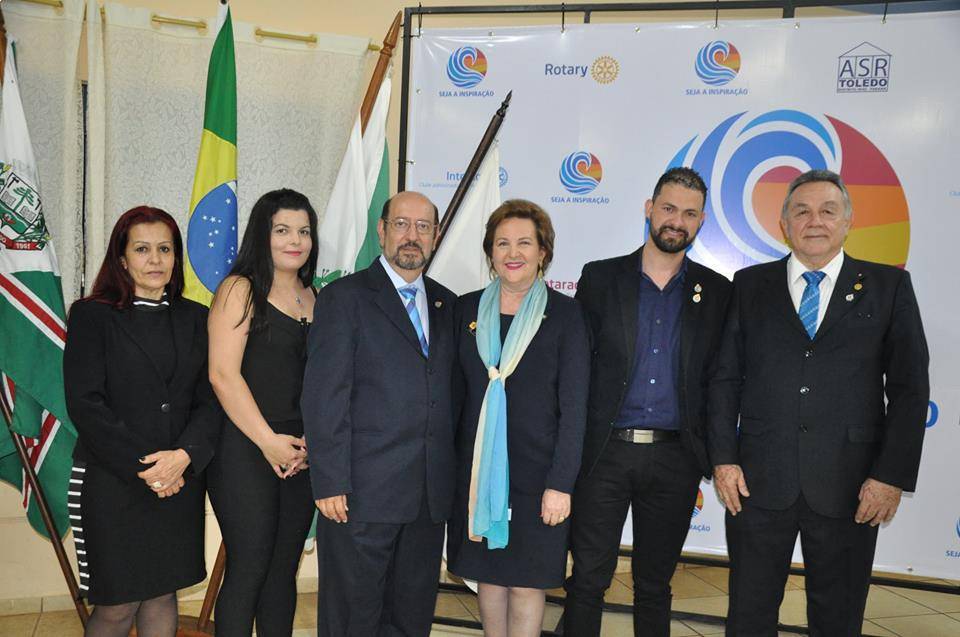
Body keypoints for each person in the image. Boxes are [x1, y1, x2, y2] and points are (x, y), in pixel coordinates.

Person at [708, 169, 929, 636]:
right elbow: (724, 379)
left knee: (838, 620)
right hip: (757, 484)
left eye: (828, 211)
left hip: (852, 486)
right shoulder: (749, 285)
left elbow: (910, 390)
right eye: (802, 211)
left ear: (848, 222)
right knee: (748, 615)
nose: (815, 221)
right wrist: (724, 459)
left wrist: (889, 476)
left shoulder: (888, 287)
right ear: (784, 224)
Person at [563, 167, 732, 636]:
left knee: (655, 584)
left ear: (701, 223)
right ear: (649, 209)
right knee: (588, 579)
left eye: (690, 214)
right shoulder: (600, 278)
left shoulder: (718, 292)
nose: (677, 221)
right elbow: (576, 368)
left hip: (676, 458)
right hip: (605, 454)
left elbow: (721, 380)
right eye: (669, 208)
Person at [302, 190, 457, 637]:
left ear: (436, 236)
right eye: (402, 224)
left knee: (410, 618)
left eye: (423, 227)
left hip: (427, 499)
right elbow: (324, 396)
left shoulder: (448, 304)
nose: (412, 235)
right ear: (382, 230)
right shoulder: (344, 298)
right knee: (354, 618)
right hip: (360, 496)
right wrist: (330, 481)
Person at [63, 206, 221, 637]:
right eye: (142, 249)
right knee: (117, 606)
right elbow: (86, 404)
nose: (155, 260)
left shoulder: (196, 318)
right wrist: (150, 468)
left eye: (165, 249)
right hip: (113, 482)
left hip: (179, 480)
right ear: (122, 258)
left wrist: (183, 457)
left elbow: (210, 402)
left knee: (161, 596)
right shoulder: (92, 316)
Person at [447, 200, 590, 636]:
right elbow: (452, 398)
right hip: (478, 474)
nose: (513, 253)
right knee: (489, 576)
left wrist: (561, 484)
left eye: (525, 243)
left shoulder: (567, 315)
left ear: (543, 251)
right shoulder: (465, 311)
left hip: (539, 477)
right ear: (490, 252)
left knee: (527, 581)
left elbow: (575, 407)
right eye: (502, 243)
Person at [206, 189, 319, 636]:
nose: (296, 240)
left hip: (300, 454)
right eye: (283, 230)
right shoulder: (240, 289)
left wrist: (310, 443)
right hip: (245, 448)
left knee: (282, 571)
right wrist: (269, 441)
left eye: (304, 231)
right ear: (262, 234)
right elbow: (222, 375)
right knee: (249, 567)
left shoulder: (314, 295)